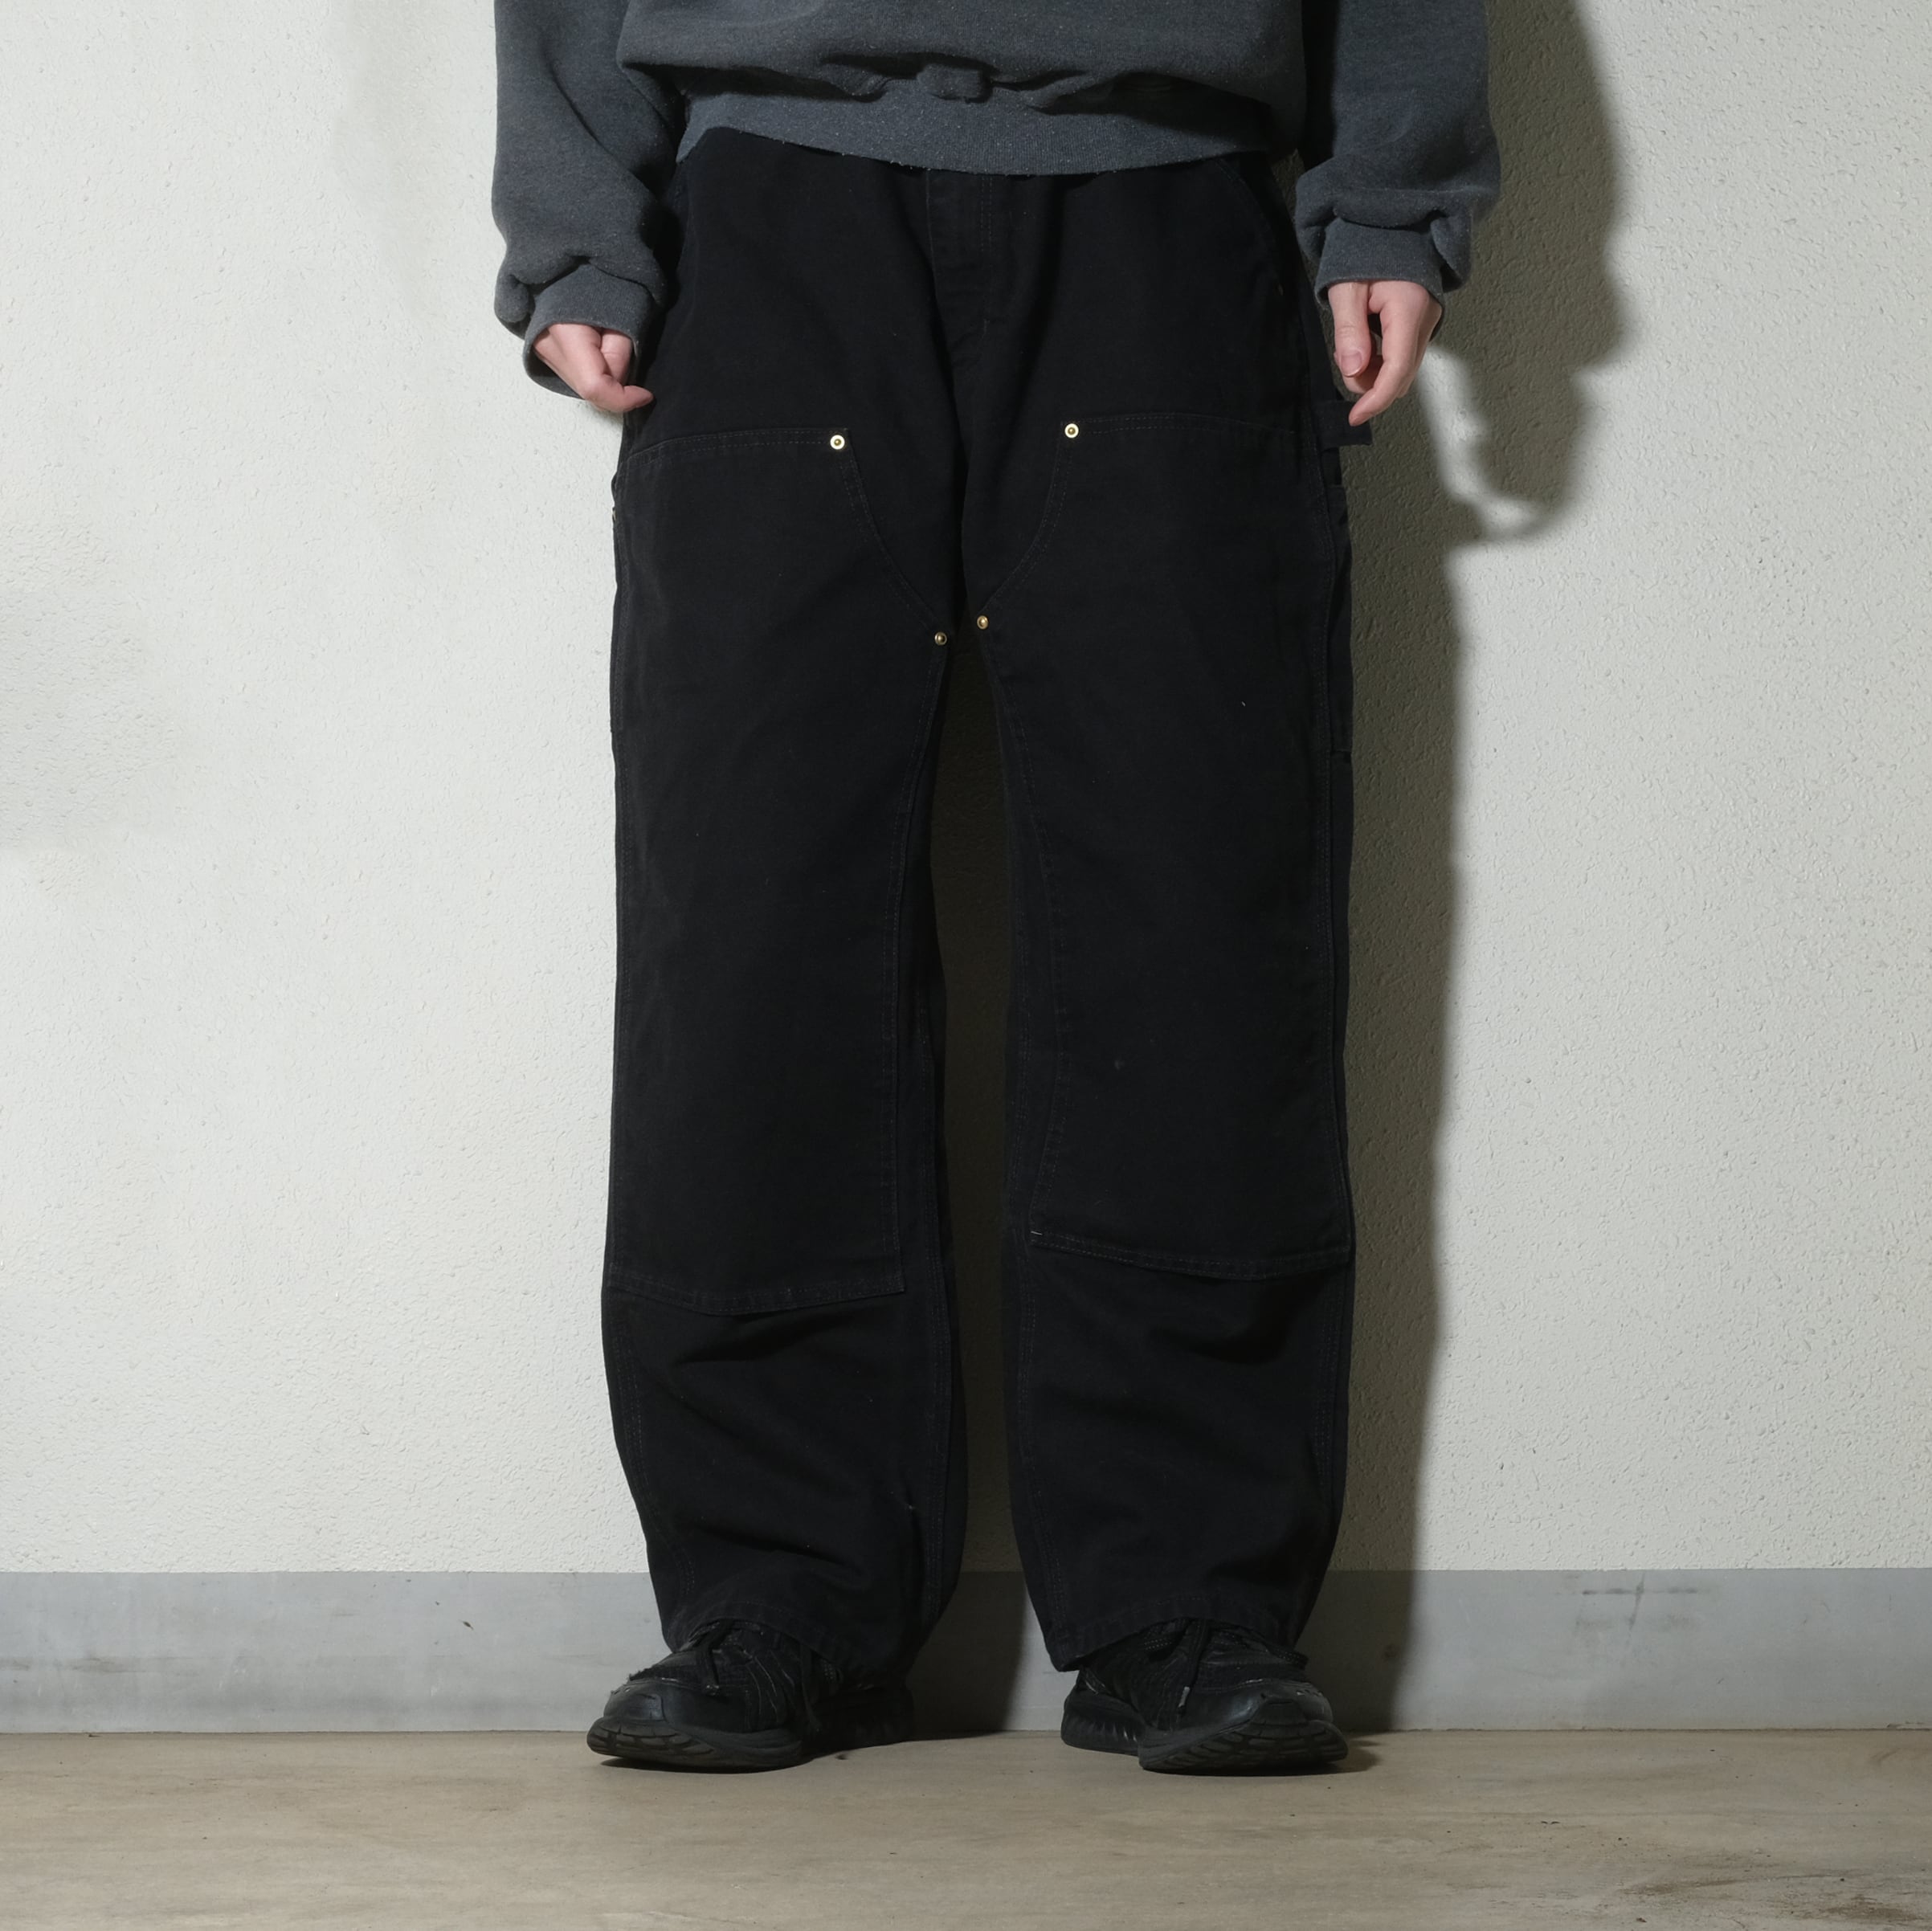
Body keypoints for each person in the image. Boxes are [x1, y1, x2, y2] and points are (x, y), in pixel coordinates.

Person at [492, 0, 1498, 1775]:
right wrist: (581, 222)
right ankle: (780, 1599)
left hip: (1173, 194)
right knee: (755, 929)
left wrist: (1388, 197)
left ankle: (1189, 1601)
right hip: (768, 212)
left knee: (1194, 916)